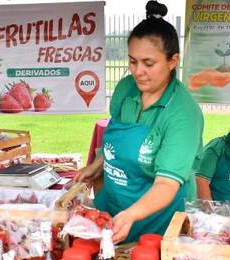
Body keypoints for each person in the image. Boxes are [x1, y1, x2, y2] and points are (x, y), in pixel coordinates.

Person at [74, 1, 204, 244]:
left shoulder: (183, 114)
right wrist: (96, 165)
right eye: (132, 61)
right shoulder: (126, 89)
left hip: (156, 219)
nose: (137, 71)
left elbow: (166, 183)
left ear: (172, 61)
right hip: (114, 206)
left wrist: (131, 214)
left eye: (148, 63)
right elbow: (117, 141)